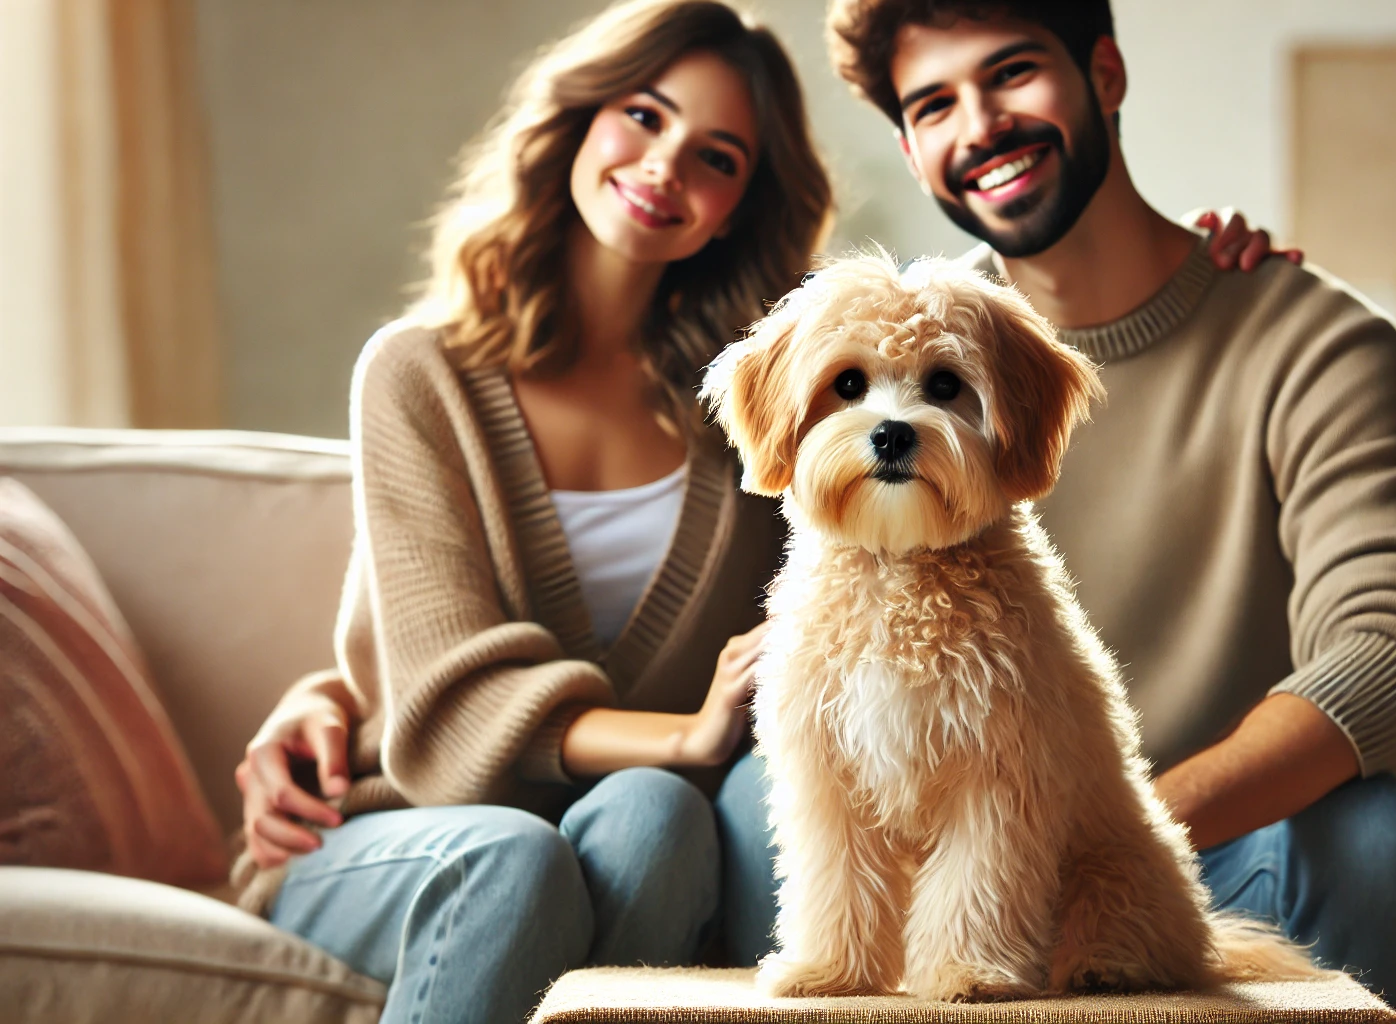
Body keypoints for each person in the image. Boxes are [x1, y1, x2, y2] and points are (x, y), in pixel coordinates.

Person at [231, 2, 1278, 1022]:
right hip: (415, 816)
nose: (664, 166)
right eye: (643, 114)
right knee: (527, 855)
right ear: (581, 117)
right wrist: (320, 697)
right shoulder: (420, 372)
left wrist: (1200, 270)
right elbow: (436, 670)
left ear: (742, 202)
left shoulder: (743, 415)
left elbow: (938, 463)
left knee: (662, 815)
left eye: (718, 156)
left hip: (621, 802)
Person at [822, 3, 1396, 1023]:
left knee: (1382, 834)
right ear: (912, 153)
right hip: (943, 863)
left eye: (1011, 73)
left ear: (1106, 73)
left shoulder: (1311, 343)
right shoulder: (892, 361)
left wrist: (1112, 830)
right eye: (935, 104)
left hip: (1207, 848)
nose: (981, 123)